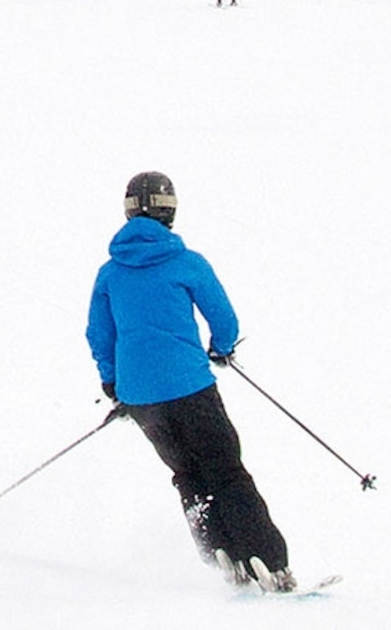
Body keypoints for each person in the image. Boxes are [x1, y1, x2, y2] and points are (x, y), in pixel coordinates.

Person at [87, 172, 295, 592]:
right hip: (191, 389)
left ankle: (222, 556)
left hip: (142, 399)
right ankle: (268, 563)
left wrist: (114, 385)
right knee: (226, 471)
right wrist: (221, 348)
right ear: (170, 210)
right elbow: (222, 317)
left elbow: (99, 334)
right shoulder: (186, 263)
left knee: (187, 473)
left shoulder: (109, 274)